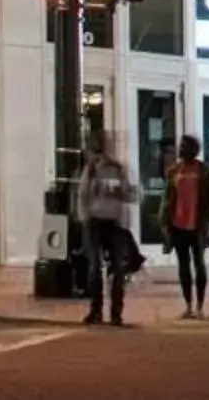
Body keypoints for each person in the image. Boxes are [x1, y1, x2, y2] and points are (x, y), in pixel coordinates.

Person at [76, 129, 138, 326]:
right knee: (95, 267)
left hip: (115, 223)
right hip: (95, 221)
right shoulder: (90, 170)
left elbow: (134, 195)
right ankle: (96, 310)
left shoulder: (120, 169)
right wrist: (84, 218)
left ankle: (116, 312)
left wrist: (122, 192)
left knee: (118, 269)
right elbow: (82, 195)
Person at [163, 137, 209, 317]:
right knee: (183, 265)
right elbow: (167, 198)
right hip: (178, 223)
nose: (180, 149)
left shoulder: (204, 170)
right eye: (180, 146)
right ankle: (188, 305)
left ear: (193, 149)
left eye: (184, 146)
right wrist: (164, 222)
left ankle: (200, 305)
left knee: (199, 263)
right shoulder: (174, 171)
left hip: (198, 224)